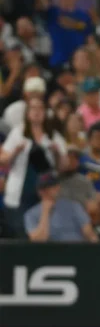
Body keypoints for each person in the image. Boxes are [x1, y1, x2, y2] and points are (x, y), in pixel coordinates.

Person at [0, 96, 67, 237]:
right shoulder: (18, 133)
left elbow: (64, 167)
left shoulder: (54, 137)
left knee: (43, 231)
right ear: (27, 113)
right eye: (33, 108)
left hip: (44, 193)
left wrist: (56, 154)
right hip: (21, 192)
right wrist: (15, 152)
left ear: (45, 112)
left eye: (40, 108)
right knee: (21, 233)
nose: (36, 112)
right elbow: (2, 160)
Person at [24, 172, 99, 243]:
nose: (46, 191)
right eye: (44, 188)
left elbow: (89, 233)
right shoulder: (31, 214)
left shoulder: (73, 206)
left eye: (51, 187)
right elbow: (39, 240)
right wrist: (45, 212)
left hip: (76, 249)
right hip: (51, 253)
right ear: (39, 191)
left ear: (58, 187)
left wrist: (97, 250)